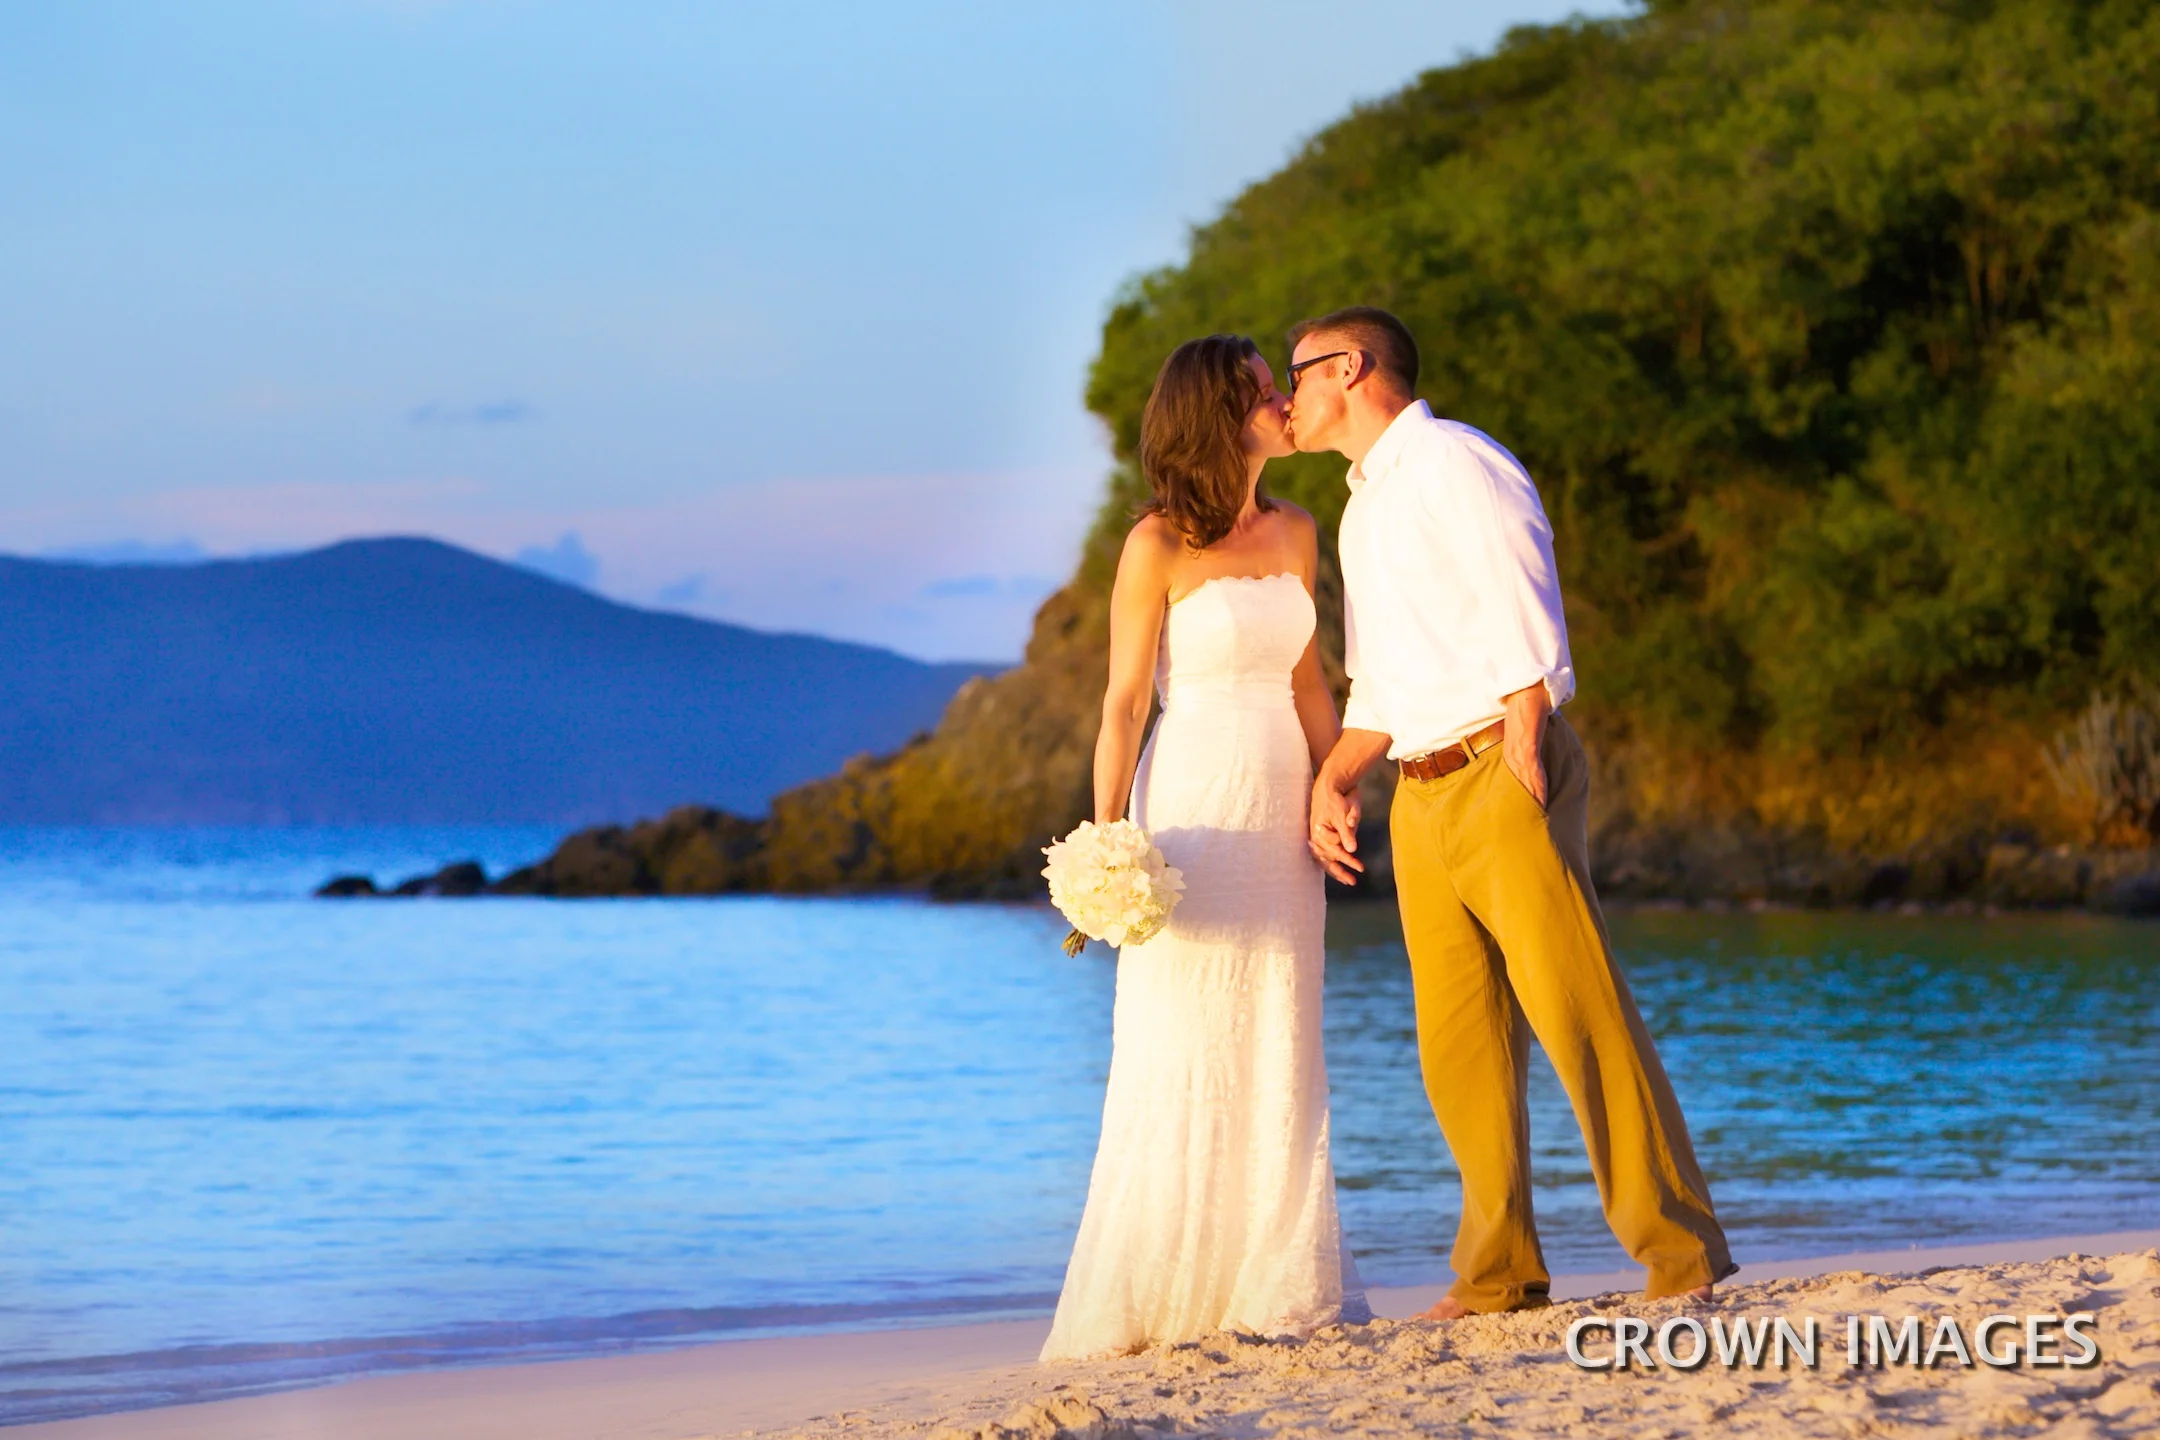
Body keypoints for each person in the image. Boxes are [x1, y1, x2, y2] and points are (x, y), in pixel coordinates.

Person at [1290, 306, 1736, 1318]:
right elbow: (1387, 679)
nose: (1288, 395)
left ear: (1350, 369)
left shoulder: (1453, 460)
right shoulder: (1364, 507)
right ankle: (1496, 1273)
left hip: (1501, 765)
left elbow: (1521, 581)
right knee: (1460, 1042)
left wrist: (1529, 722)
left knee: (1577, 1009)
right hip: (1422, 788)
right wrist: (1342, 768)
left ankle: (1680, 1254)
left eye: (1300, 374)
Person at [1040, 334, 1368, 1361]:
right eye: (1262, 392)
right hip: (1191, 802)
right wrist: (1108, 839)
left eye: (1280, 387)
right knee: (1181, 1039)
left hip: (1280, 802)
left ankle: (1276, 1275)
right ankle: (1162, 1287)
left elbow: (1312, 681)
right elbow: (1125, 701)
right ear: (1216, 419)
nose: (1282, 402)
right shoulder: (1157, 545)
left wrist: (1334, 786)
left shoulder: (1305, 530)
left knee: (1279, 1023)